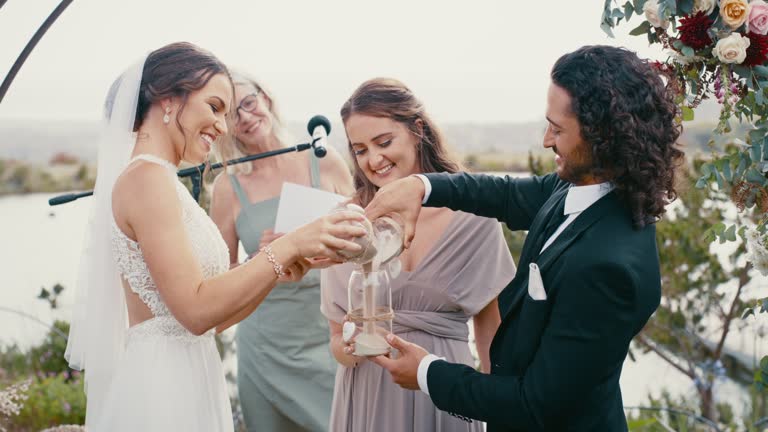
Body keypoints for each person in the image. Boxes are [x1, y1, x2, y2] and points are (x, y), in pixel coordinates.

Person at [366, 45, 685, 431]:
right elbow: (506, 194)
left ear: (602, 135)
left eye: (558, 128)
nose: (546, 139)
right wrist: (420, 186)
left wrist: (426, 373)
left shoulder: (607, 267)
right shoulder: (582, 189)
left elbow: (534, 403)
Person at [63, 42, 365, 432]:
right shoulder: (147, 179)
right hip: (163, 386)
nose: (223, 126)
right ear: (170, 99)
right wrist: (290, 244)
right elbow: (195, 311)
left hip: (191, 371)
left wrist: (272, 267)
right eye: (215, 107)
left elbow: (214, 320)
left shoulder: (162, 181)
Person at [321, 78, 515, 431]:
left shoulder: (473, 216)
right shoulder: (348, 220)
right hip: (368, 394)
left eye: (384, 142)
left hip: (444, 395)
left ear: (417, 130)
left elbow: (492, 335)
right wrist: (351, 345)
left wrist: (501, 414)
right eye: (360, 149)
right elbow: (335, 340)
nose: (374, 159)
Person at [210, 73, 354, 432]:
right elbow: (218, 280)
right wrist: (260, 261)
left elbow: (364, 238)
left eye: (248, 102)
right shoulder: (227, 186)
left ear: (266, 99)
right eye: (231, 113)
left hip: (329, 332)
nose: (244, 116)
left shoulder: (325, 160)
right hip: (264, 345)